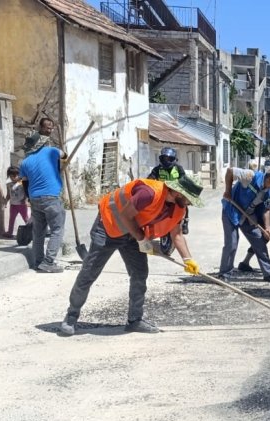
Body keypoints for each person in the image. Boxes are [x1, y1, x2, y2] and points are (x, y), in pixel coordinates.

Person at [59, 175, 204, 337]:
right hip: (108, 226)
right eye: (189, 199)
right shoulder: (148, 193)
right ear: (178, 193)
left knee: (140, 274)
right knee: (89, 272)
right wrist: (142, 240)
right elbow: (125, 215)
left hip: (133, 233)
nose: (190, 203)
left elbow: (176, 235)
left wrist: (187, 259)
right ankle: (71, 316)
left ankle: (134, 320)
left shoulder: (179, 208)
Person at [219, 166, 270, 283]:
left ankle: (268, 273)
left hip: (248, 215)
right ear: (269, 179)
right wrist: (228, 191)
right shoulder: (250, 176)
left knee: (259, 240)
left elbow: (266, 209)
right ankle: (225, 273)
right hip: (231, 211)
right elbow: (229, 171)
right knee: (232, 243)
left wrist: (267, 228)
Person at [20, 117, 67, 273]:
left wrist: (29, 198)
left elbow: (25, 183)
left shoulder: (24, 162)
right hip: (51, 197)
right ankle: (48, 262)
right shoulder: (51, 151)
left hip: (34, 199)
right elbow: (64, 154)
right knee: (57, 229)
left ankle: (38, 261)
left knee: (38, 232)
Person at [148, 147, 190, 256]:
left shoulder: (178, 169)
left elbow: (184, 180)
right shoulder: (157, 169)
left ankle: (185, 222)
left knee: (184, 206)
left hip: (175, 194)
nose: (166, 160)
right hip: (163, 195)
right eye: (164, 158)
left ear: (174, 159)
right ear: (161, 158)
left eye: (169, 158)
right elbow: (150, 179)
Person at [5, 166, 29, 238]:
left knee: (26, 219)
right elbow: (8, 194)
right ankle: (10, 232)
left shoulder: (21, 183)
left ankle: (32, 231)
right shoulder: (9, 184)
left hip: (22, 205)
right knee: (11, 219)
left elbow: (26, 192)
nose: (14, 178)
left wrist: (24, 199)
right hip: (13, 205)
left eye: (15, 176)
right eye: (11, 176)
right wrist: (5, 201)